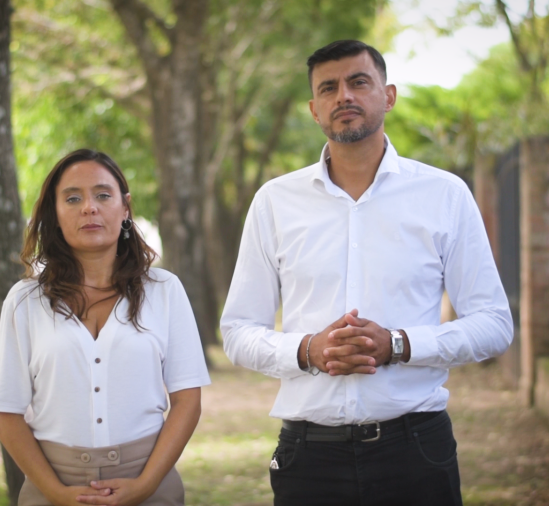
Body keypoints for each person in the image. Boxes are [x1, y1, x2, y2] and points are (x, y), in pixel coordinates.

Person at [220, 40, 513, 506]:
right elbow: (237, 331)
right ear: (314, 109)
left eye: (359, 82)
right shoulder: (274, 202)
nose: (344, 97)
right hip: (309, 455)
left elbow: (494, 325)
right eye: (329, 88)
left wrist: (399, 345)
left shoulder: (444, 195)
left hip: (416, 449)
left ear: (388, 95)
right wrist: (307, 349)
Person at [0, 149, 211, 506]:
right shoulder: (25, 301)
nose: (89, 207)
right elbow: (6, 413)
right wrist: (55, 492)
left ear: (125, 208)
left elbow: (187, 401)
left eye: (102, 195)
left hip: (149, 482)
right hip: (52, 485)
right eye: (73, 198)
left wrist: (146, 485)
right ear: (55, 215)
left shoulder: (164, 290)